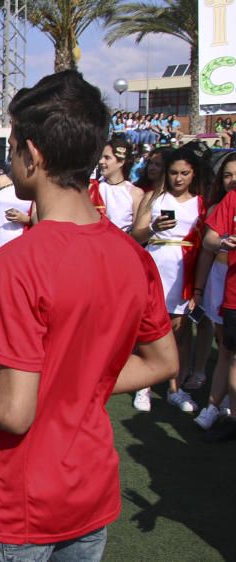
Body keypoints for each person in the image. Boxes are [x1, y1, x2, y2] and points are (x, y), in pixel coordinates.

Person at [0, 70, 177, 560]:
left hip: (20, 504)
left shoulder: (19, 263)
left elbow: (14, 412)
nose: (10, 159)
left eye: (13, 146)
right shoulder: (133, 256)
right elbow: (161, 363)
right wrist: (78, 382)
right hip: (91, 493)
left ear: (35, 155)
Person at [132, 147, 207, 413]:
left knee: (181, 330)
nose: (178, 178)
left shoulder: (200, 202)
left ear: (193, 174)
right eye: (173, 172)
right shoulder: (153, 197)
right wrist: (152, 228)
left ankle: (177, 388)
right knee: (150, 327)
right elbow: (135, 236)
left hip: (184, 269)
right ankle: (144, 385)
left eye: (184, 173)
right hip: (154, 264)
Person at [192, 152, 236, 431]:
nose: (233, 181)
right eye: (228, 174)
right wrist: (223, 241)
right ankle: (215, 406)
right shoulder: (228, 202)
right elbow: (209, 243)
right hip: (228, 289)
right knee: (227, 352)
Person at [90, 139, 143, 232]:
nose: (101, 161)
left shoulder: (134, 193)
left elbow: (137, 232)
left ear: (121, 162)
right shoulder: (93, 188)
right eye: (101, 157)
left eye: (107, 158)